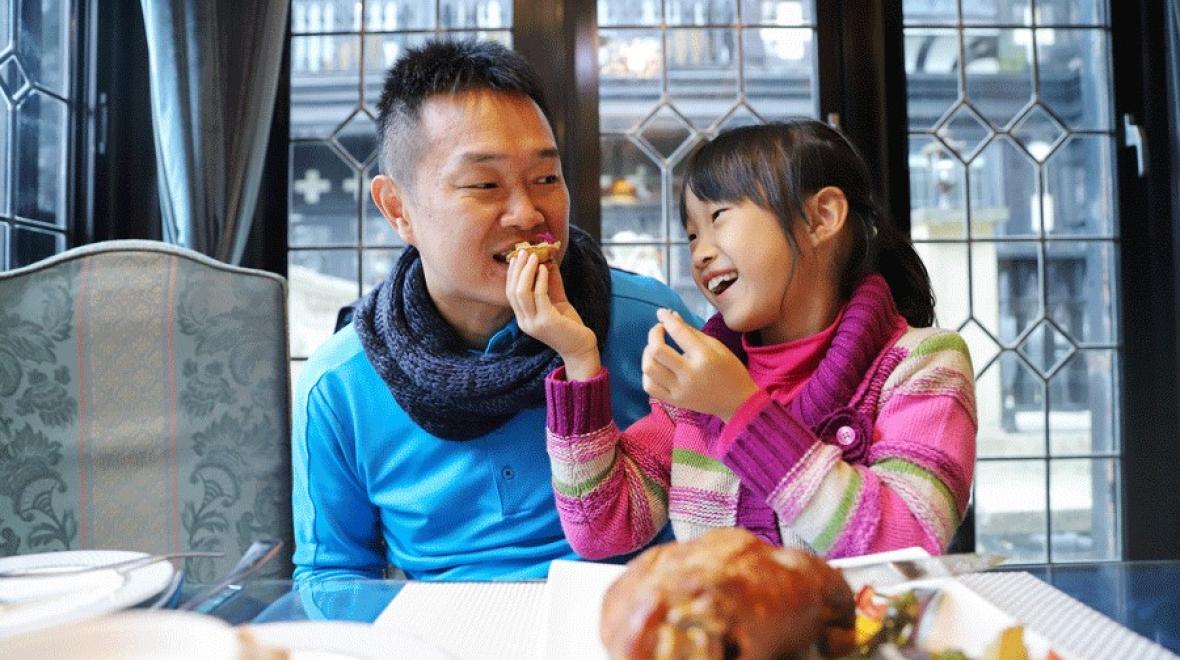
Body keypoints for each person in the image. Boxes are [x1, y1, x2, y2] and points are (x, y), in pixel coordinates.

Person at [291, 39, 698, 582]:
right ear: (397, 208)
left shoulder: (652, 326)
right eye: (484, 184)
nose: (529, 213)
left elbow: (733, 504)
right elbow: (332, 574)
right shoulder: (340, 385)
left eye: (546, 179)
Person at [508, 120, 976, 559]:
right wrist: (578, 356)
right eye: (692, 234)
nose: (701, 252)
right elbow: (603, 529)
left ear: (821, 217)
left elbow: (910, 541)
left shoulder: (923, 363)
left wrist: (739, 410)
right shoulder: (697, 386)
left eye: (719, 217)